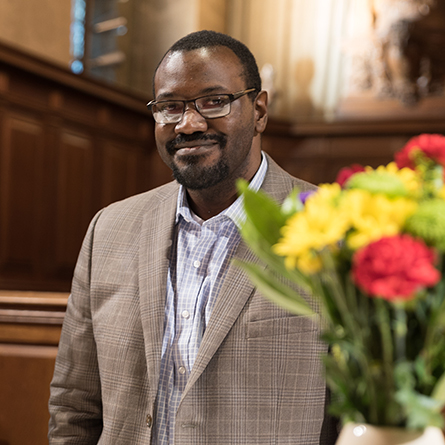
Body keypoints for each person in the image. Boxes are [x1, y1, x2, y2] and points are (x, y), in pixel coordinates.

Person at [48, 30, 338, 444]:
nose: (189, 123)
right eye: (170, 107)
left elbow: (364, 414)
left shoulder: (334, 232)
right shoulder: (109, 230)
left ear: (259, 111)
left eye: (214, 101)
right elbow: (74, 405)